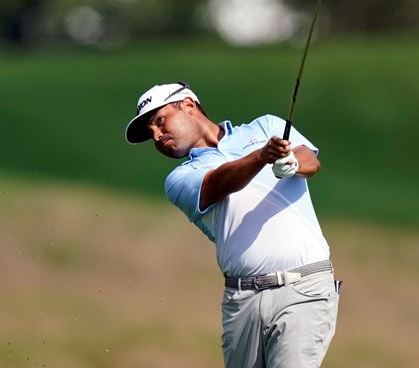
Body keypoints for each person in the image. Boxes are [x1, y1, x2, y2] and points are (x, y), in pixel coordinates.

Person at [125, 82, 340, 367]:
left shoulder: (266, 127)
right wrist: (261, 157)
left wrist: (291, 161)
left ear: (188, 105)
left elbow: (310, 160)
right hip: (242, 302)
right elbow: (219, 183)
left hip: (304, 289)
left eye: (159, 121)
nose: (156, 136)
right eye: (150, 133)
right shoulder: (179, 179)